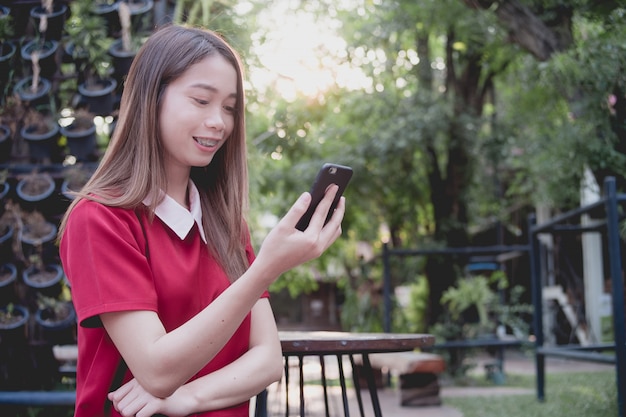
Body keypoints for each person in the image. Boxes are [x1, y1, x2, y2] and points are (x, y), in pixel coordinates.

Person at [58, 24, 346, 417]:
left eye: (229, 107)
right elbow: (157, 369)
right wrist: (265, 269)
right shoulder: (100, 219)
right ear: (151, 99)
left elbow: (266, 360)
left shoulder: (225, 222)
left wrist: (185, 398)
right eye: (201, 100)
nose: (219, 122)